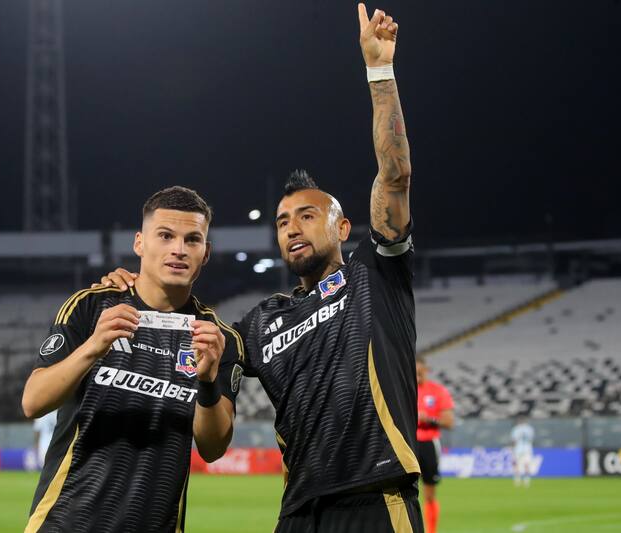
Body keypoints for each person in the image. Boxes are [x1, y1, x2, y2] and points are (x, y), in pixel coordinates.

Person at [95, 5, 424, 531]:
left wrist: (380, 73)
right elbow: (203, 357)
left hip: (375, 500)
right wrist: (138, 287)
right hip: (295, 512)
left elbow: (396, 175)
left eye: (307, 216)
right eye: (281, 221)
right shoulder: (260, 323)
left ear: (342, 228)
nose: (291, 227)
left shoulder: (375, 275)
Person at [21, 186, 243, 532]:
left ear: (206, 252)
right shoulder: (91, 306)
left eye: (192, 240)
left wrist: (207, 381)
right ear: (140, 243)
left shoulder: (217, 338)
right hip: (65, 523)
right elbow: (33, 402)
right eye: (166, 236)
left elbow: (213, 447)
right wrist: (93, 347)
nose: (178, 250)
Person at [415, 358, 454, 533]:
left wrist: (428, 419)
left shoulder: (437, 391)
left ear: (426, 371)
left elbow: (449, 422)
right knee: (403, 492)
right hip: (406, 443)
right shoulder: (402, 389)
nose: (416, 376)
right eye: (413, 372)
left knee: (429, 493)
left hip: (428, 444)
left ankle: (431, 531)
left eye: (420, 372)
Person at [510, 416, 535, 487]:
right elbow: (531, 439)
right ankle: (527, 480)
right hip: (527, 449)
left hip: (518, 449)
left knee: (516, 464)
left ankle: (517, 480)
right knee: (526, 464)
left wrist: (512, 448)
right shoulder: (529, 429)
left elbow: (514, 440)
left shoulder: (516, 429)